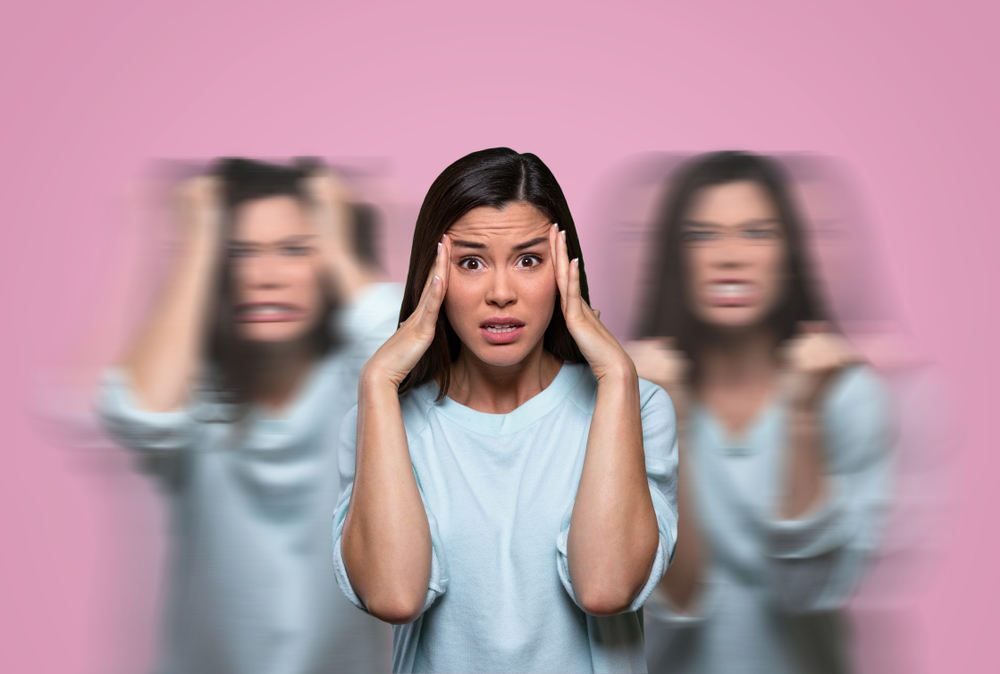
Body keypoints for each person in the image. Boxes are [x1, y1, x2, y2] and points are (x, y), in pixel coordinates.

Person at [331, 147, 679, 673]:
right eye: (471, 262)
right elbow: (394, 597)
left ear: (566, 271)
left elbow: (606, 587)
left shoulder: (638, 406)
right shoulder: (379, 420)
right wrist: (378, 382)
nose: (501, 293)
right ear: (434, 276)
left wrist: (617, 375)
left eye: (529, 260)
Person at [96, 158, 399, 674]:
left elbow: (415, 358)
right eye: (239, 253)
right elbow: (140, 415)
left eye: (295, 250)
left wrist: (337, 243)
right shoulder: (197, 394)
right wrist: (198, 244)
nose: (265, 277)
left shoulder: (362, 387)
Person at [629, 151, 893, 674]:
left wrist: (801, 415)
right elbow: (677, 603)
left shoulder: (850, 395)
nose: (731, 257)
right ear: (673, 257)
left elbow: (808, 591)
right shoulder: (629, 398)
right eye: (702, 235)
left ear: (790, 252)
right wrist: (671, 416)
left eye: (757, 233)